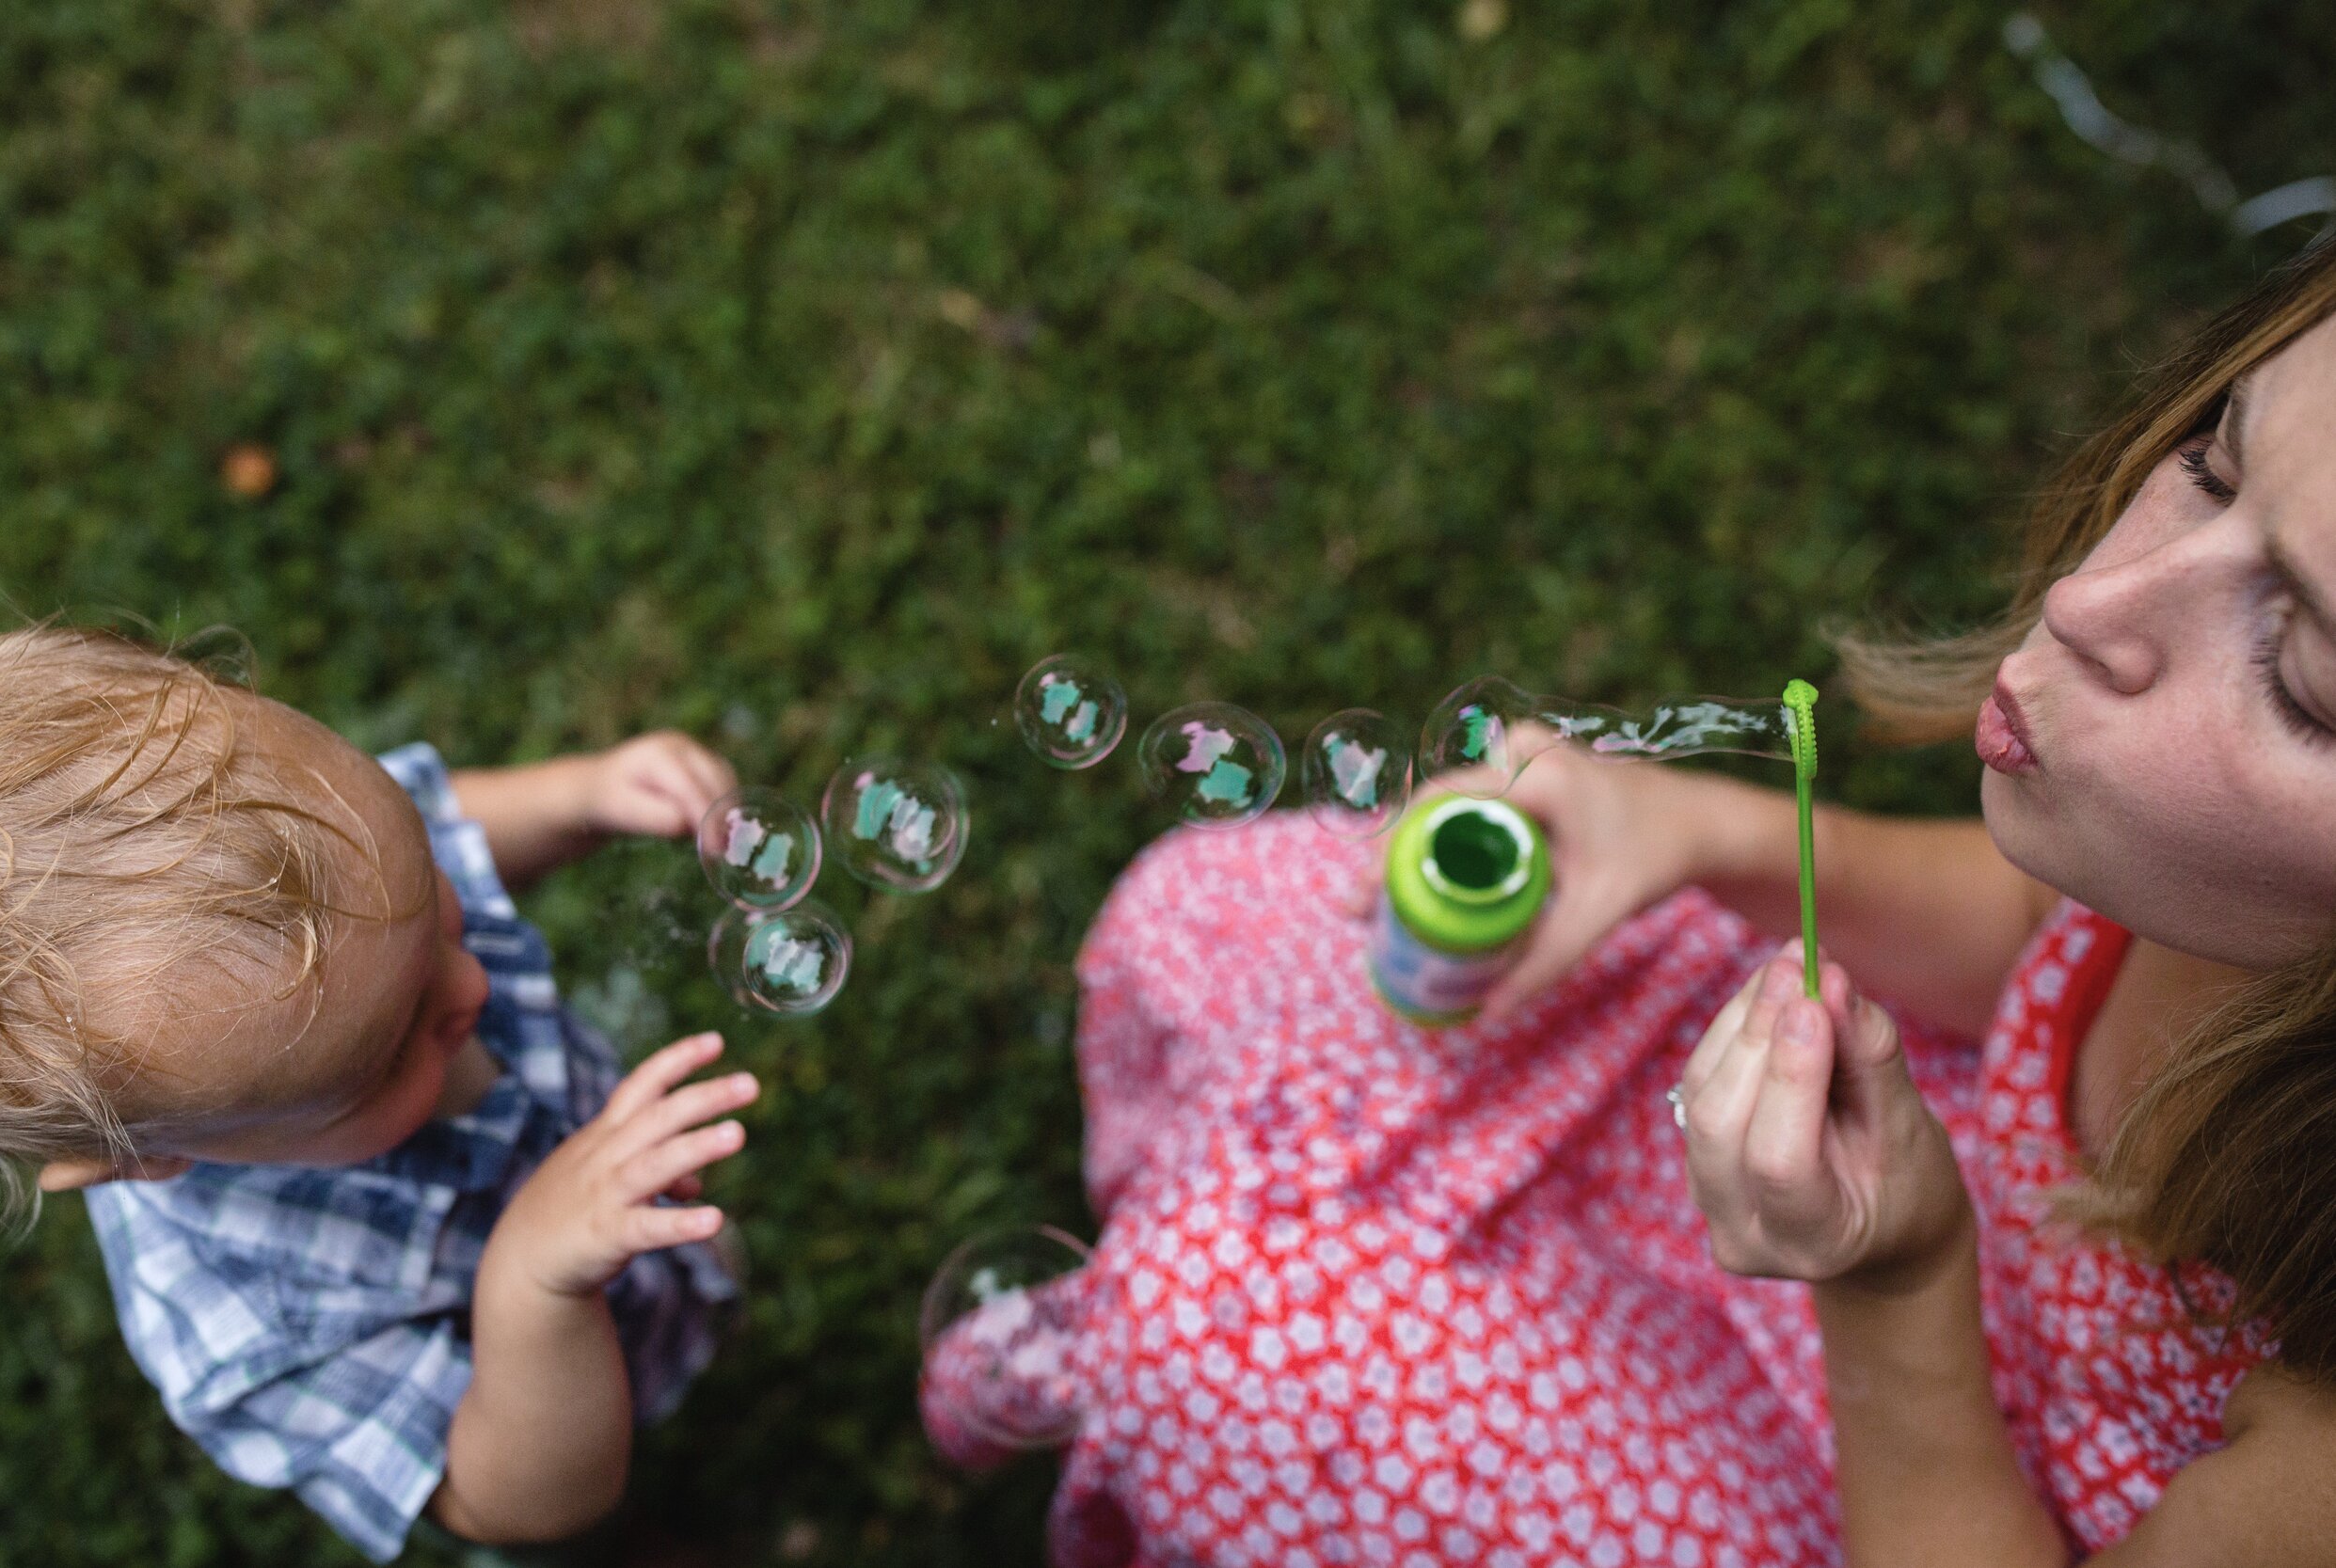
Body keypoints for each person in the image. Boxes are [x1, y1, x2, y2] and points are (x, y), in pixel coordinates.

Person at [994, 236, 2336, 1565]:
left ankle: (1195, 1280)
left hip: (1908, 1470)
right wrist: (1711, 833)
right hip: (1917, 1165)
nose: (2090, 598)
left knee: (1211, 1353)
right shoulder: (2215, 879)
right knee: (1207, 920)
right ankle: (1237, 1239)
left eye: (2303, 673)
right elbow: (2031, 944)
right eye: (2211, 462)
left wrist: (1894, 1281)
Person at [0, 627, 757, 1560]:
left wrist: (579, 797)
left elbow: (448, 813)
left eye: (431, 895)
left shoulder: (325, 845)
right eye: (390, 1051)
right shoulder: (251, 1318)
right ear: (143, 1156)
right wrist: (530, 1286)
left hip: (636, 1231)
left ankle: (691, 1301)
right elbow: (504, 1502)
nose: (469, 987)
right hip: (565, 1417)